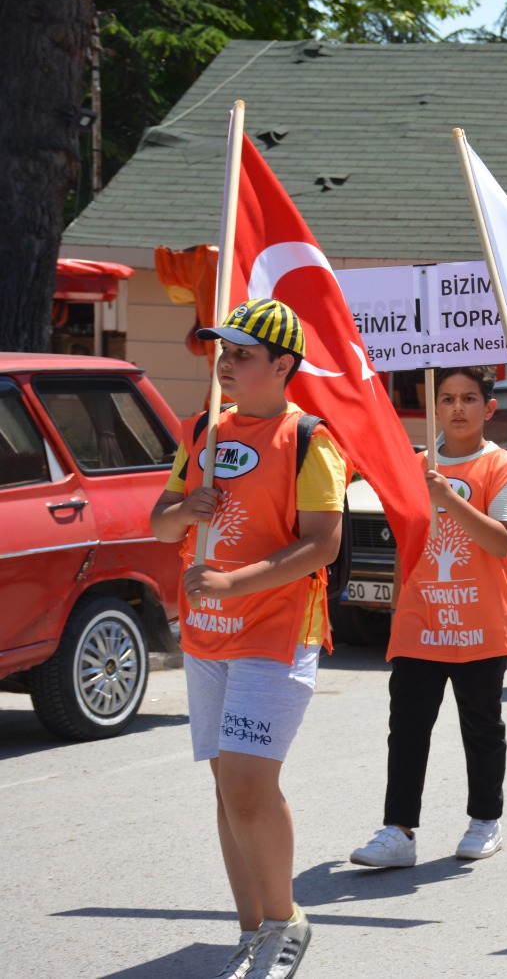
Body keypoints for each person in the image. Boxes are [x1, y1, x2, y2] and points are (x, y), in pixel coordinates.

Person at [149, 298, 346, 979]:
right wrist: (183, 507)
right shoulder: (203, 427)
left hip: (275, 634)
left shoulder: (310, 440)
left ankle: (287, 920)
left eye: (241, 354)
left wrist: (236, 584)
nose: (225, 364)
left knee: (248, 786)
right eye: (221, 352)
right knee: (226, 791)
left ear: (282, 365)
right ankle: (252, 928)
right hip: (206, 637)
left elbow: (322, 545)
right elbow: (160, 525)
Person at [349, 367, 507, 870]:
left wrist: (448, 497)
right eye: (447, 398)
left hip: (480, 621)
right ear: (435, 408)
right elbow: (405, 542)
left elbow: (503, 540)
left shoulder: (505, 466)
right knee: (407, 727)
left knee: (481, 725)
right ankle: (398, 830)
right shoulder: (415, 465)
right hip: (420, 620)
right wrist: (395, 601)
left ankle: (484, 820)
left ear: (488, 409)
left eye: (469, 399)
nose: (457, 408)